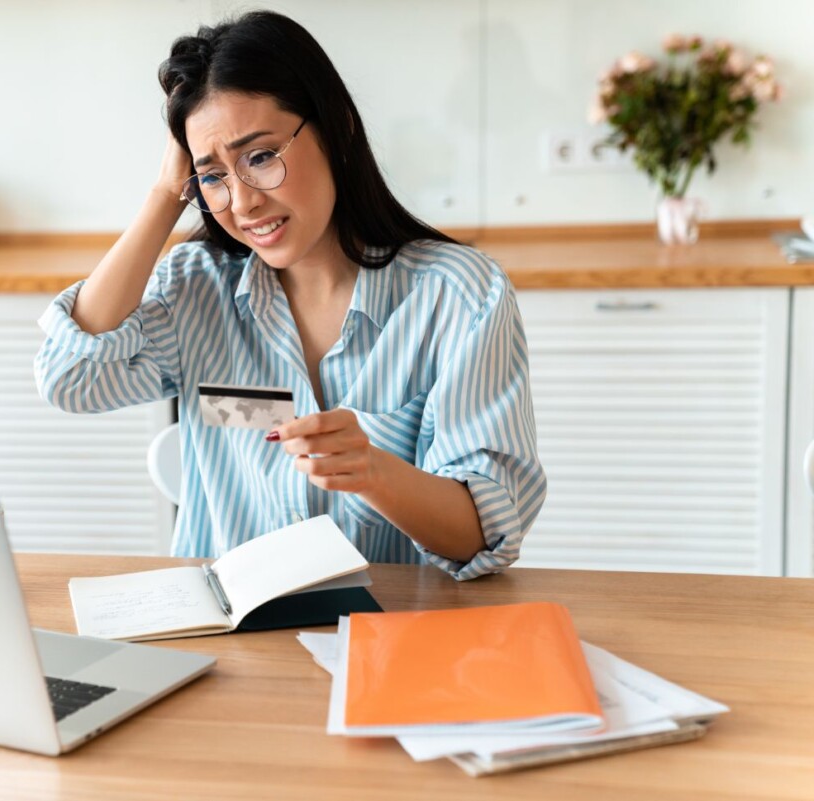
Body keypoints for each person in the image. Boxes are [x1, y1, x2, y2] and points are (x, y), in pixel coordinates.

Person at [35, 11, 545, 580]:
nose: (243, 202)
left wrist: (372, 469)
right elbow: (70, 380)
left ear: (338, 130)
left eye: (260, 157)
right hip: (231, 642)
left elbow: (487, 536)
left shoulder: (459, 296)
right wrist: (162, 197)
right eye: (213, 176)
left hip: (387, 636)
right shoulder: (197, 287)